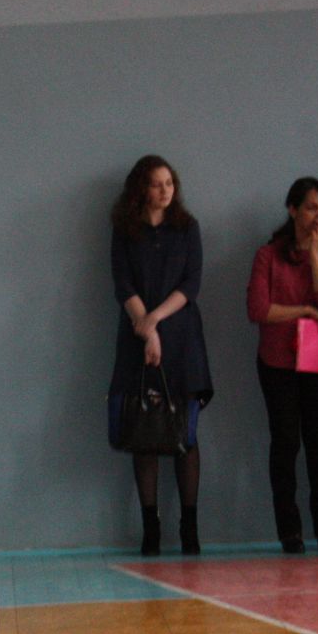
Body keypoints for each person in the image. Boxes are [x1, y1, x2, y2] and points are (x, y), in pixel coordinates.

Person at [107, 155, 213, 555]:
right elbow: (123, 283)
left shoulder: (187, 229)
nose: (165, 190)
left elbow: (191, 283)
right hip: (136, 336)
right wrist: (145, 327)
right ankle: (150, 527)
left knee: (184, 430)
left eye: (170, 182)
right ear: (141, 189)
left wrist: (155, 321)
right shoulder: (124, 230)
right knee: (143, 431)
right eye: (156, 183)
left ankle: (190, 525)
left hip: (181, 335)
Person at [247, 177, 318, 553]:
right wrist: (302, 311)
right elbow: (258, 309)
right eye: (310, 207)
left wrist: (315, 255)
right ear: (292, 210)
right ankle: (289, 530)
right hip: (278, 361)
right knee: (286, 442)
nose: (317, 216)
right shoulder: (268, 255)